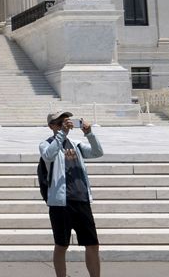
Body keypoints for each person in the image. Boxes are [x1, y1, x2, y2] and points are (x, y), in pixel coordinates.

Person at [39, 111, 104, 277]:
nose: (64, 125)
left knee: (92, 244)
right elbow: (48, 155)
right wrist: (62, 134)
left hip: (81, 199)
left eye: (66, 121)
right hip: (61, 203)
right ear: (51, 126)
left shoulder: (76, 144)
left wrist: (89, 134)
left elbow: (97, 152)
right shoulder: (46, 144)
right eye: (60, 122)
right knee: (61, 245)